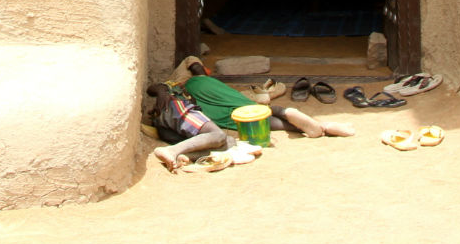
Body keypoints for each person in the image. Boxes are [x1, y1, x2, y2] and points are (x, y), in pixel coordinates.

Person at [175, 59, 355, 138]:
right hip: (202, 85)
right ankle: (302, 118)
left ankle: (320, 126)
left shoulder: (175, 82)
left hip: (194, 97)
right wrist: (201, 75)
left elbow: (157, 88)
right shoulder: (191, 68)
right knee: (248, 106)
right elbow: (195, 64)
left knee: (244, 117)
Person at [145, 81, 229, 171]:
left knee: (229, 142)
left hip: (170, 130)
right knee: (218, 135)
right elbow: (151, 89)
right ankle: (171, 151)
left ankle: (187, 156)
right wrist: (162, 91)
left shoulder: (191, 96)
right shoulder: (174, 88)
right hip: (176, 109)